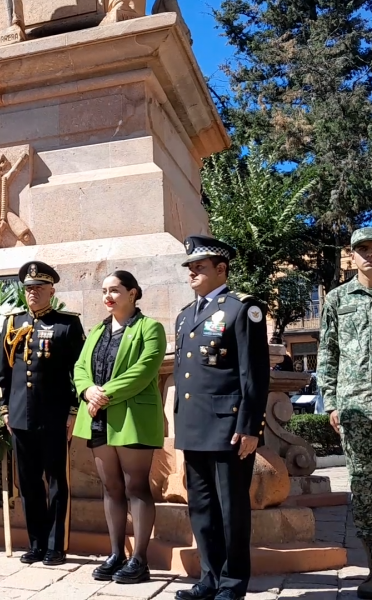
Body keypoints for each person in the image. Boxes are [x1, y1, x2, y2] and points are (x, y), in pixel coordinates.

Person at [173, 235, 269, 600]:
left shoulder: (242, 309)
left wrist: (249, 427)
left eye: (200, 267)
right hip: (194, 426)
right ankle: (209, 578)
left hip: (228, 428)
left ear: (221, 269)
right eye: (190, 268)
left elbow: (253, 374)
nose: (193, 273)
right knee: (200, 507)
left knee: (231, 509)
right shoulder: (185, 315)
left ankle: (232, 583)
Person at [72, 271, 165, 583]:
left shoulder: (149, 328)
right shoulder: (98, 331)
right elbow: (80, 366)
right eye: (104, 291)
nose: (108, 297)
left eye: (115, 290)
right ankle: (116, 553)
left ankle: (140, 558)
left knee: (135, 486)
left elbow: (144, 370)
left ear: (133, 293)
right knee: (111, 487)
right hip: (98, 417)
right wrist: (87, 390)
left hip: (132, 419)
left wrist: (103, 394)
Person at [0, 261, 85, 566]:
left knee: (57, 481)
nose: (32, 293)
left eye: (38, 288)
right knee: (29, 482)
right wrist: (6, 409)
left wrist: (73, 411)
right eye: (28, 289)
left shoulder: (67, 324)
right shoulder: (13, 323)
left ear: (51, 290)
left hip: (54, 415)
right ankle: (36, 543)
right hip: (21, 417)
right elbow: (3, 373)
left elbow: (79, 371)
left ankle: (55, 546)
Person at [317, 227, 372, 600]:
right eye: (362, 249)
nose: (368, 254)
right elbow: (327, 352)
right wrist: (332, 402)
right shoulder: (337, 299)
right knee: (365, 489)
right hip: (356, 408)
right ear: (350, 256)